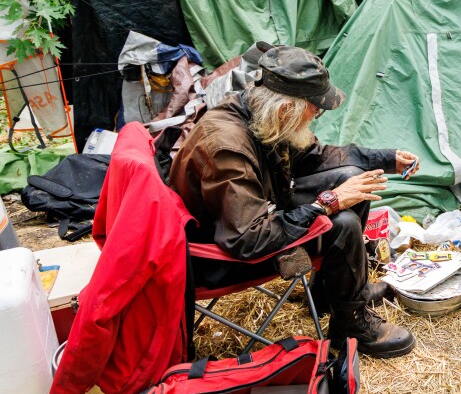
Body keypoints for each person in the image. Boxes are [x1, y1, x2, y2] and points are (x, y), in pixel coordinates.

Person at [168, 45, 420, 358]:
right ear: (287, 107)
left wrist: (382, 159)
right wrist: (329, 203)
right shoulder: (226, 149)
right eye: (316, 107)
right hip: (220, 255)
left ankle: (331, 293)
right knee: (340, 223)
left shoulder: (260, 111)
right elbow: (249, 239)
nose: (318, 113)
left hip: (250, 215)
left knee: (353, 178)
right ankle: (350, 326)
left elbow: (315, 157)